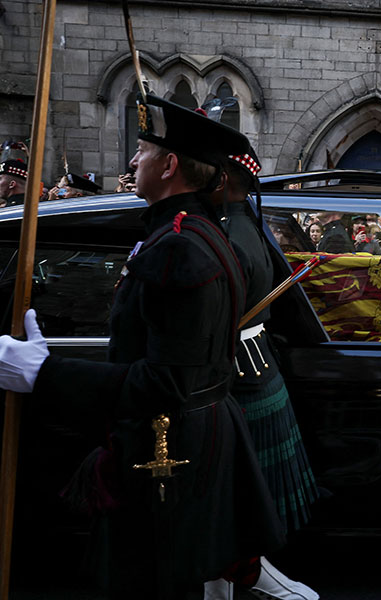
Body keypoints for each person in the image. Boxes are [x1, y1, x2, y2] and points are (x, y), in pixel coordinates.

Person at [0, 94, 285, 599]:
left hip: (170, 449)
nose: (132, 162)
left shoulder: (179, 247)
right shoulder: (191, 234)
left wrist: (44, 372)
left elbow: (168, 381)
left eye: (142, 152)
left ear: (170, 165)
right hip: (186, 437)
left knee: (153, 582)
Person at [204, 141, 319, 600]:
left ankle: (235, 578)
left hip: (236, 373)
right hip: (256, 365)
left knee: (227, 495)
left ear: (224, 178)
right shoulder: (245, 220)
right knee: (234, 494)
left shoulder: (224, 228)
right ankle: (235, 576)